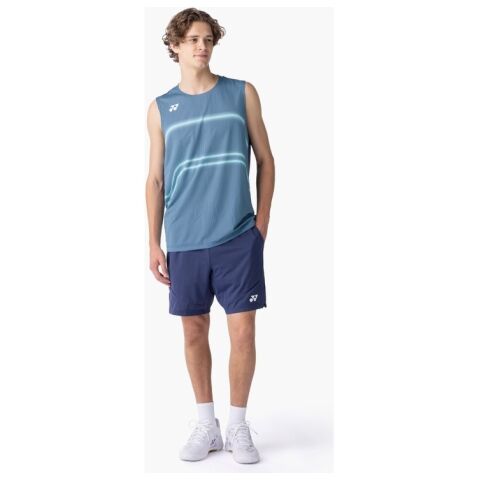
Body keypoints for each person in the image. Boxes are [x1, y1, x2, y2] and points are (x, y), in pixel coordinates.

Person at [145, 8, 275, 464]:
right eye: (192, 40)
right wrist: (153, 241)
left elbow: (266, 159)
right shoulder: (160, 108)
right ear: (175, 46)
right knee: (194, 330)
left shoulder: (242, 93)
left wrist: (261, 224)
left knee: (243, 332)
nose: (202, 47)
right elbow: (156, 179)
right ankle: (207, 424)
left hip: (238, 235)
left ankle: (238, 426)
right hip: (184, 239)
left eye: (208, 39)